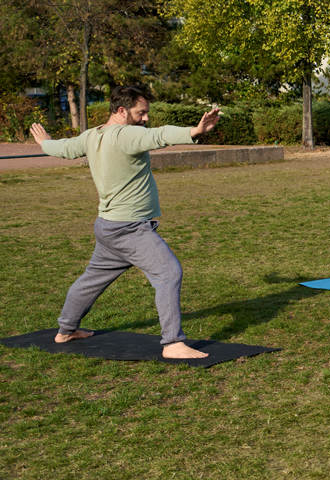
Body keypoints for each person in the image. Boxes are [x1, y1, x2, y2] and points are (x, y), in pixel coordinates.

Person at [29, 85, 219, 359]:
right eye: (141, 113)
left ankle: (66, 330)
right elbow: (160, 135)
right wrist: (195, 131)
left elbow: (65, 148)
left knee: (91, 280)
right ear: (122, 111)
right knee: (168, 273)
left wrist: (45, 143)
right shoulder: (127, 134)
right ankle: (173, 343)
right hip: (130, 228)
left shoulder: (92, 135)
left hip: (108, 226)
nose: (145, 119)